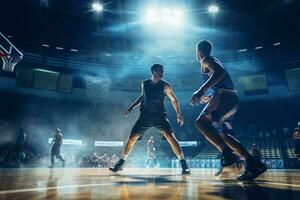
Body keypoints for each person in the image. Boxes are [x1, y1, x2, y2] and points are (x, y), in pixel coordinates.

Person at [191, 40, 266, 181]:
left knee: (200, 123)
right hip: (230, 99)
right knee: (224, 135)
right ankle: (254, 163)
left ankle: (228, 154)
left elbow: (220, 72)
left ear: (198, 52)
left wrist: (201, 90)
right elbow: (221, 79)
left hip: (224, 98)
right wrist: (209, 96)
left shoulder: (205, 60)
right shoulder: (214, 60)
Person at [109, 64, 190, 174]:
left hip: (159, 116)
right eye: (160, 71)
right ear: (153, 71)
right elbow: (143, 97)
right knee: (132, 138)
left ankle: (184, 165)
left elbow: (174, 99)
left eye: (162, 71)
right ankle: (121, 163)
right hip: (145, 117)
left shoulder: (166, 85)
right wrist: (131, 108)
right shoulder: (145, 83)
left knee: (171, 137)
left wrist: (179, 114)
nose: (162, 73)